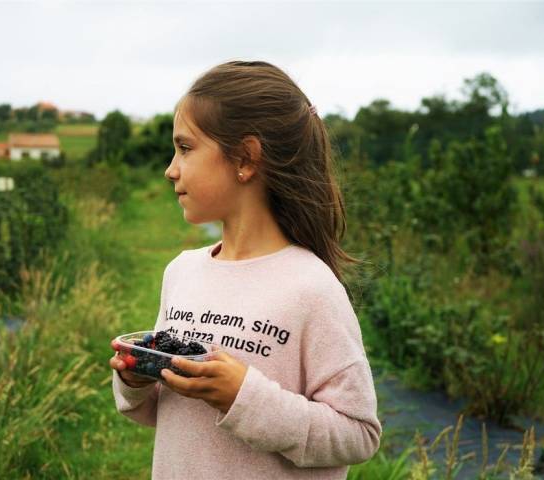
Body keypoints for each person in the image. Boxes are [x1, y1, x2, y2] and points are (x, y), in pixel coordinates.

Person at [110, 60, 381, 479]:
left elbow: (358, 433)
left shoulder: (311, 288)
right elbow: (163, 412)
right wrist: (138, 379)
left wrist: (244, 397)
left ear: (245, 158)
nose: (170, 169)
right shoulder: (181, 272)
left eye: (185, 148)